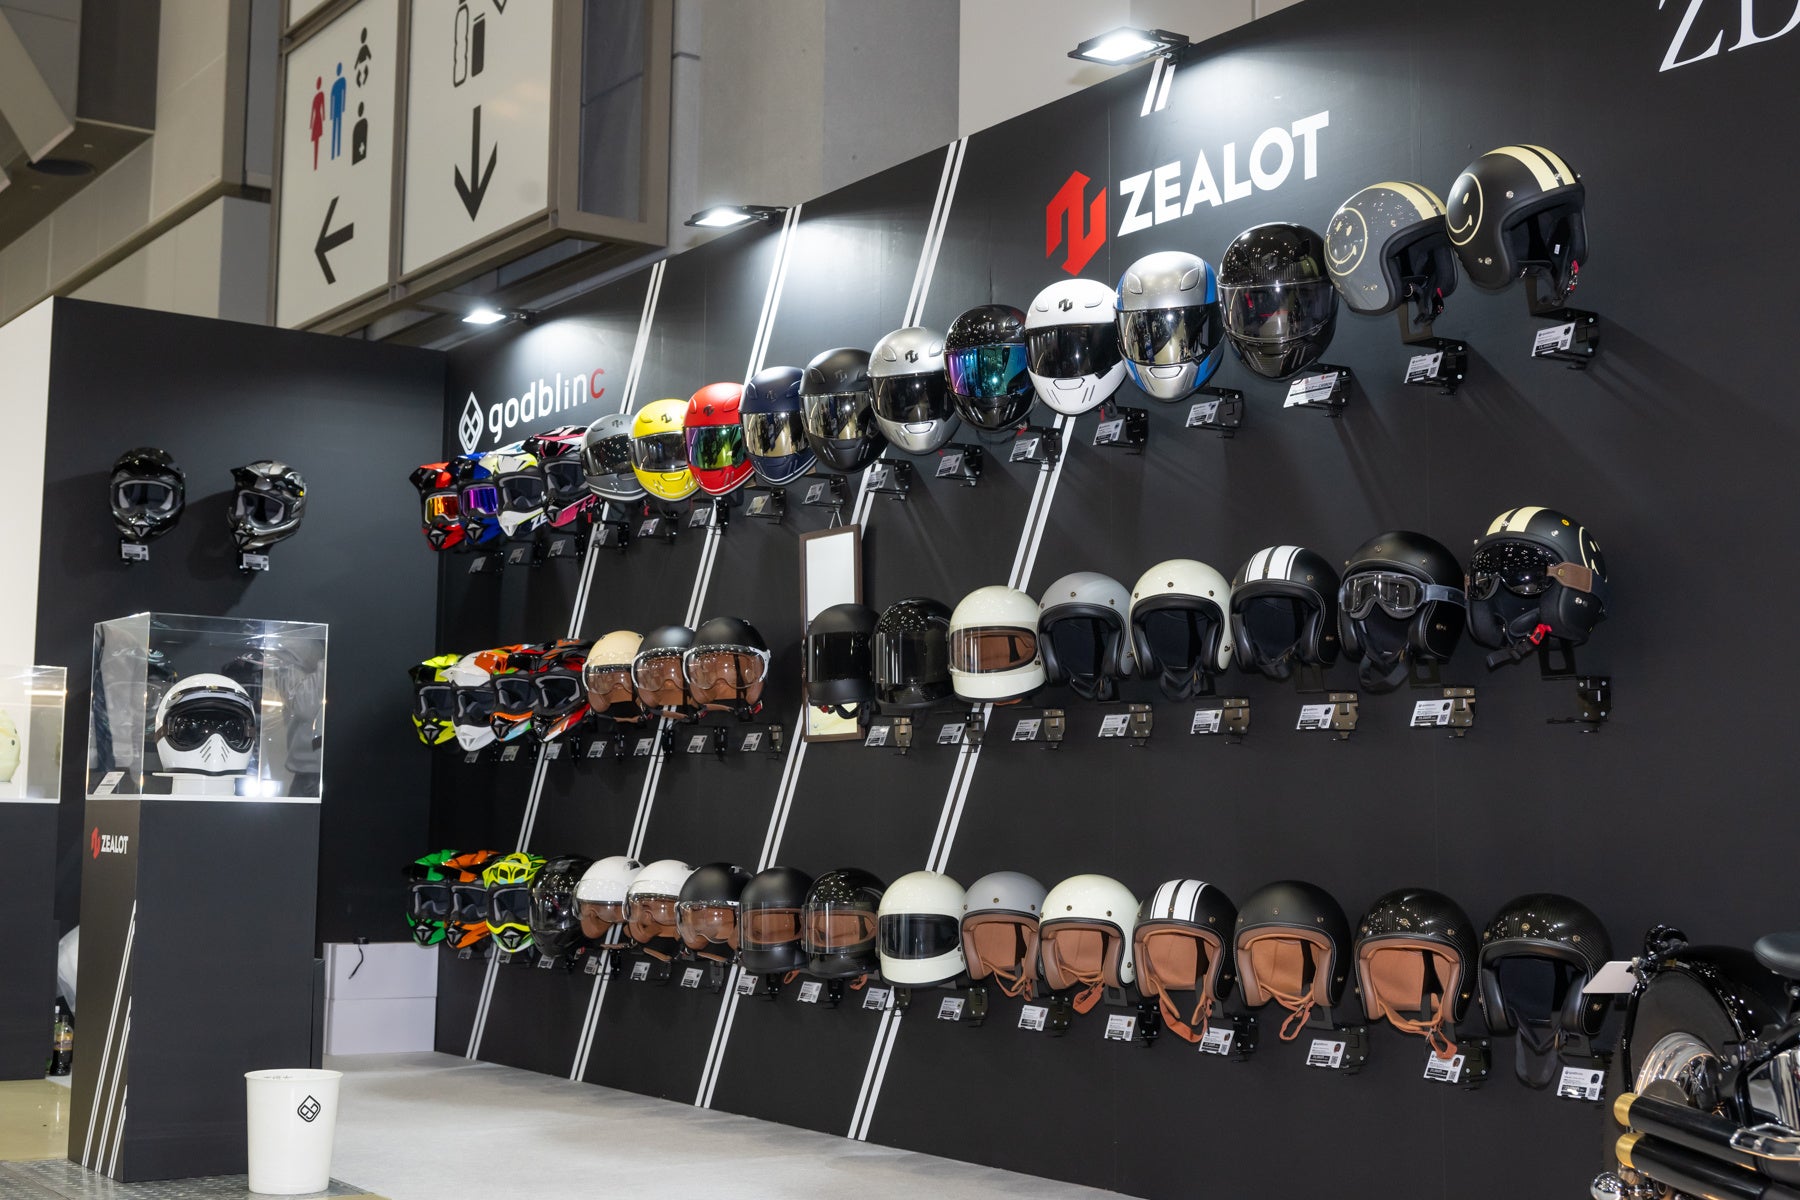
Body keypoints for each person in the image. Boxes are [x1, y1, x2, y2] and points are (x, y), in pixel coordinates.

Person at [329, 63, 347, 160]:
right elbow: (331, 99)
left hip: (339, 108)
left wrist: (343, 107)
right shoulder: (335, 84)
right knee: (335, 130)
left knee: (338, 128)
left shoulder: (342, 81)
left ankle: (338, 151)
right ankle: (333, 152)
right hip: (336, 109)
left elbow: (344, 94)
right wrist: (331, 114)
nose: (338, 71)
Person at [309, 76, 324, 169]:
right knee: (316, 140)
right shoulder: (316, 97)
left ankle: (316, 163)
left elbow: (322, 107)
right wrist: (311, 124)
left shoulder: (321, 95)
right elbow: (312, 112)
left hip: (318, 119)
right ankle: (315, 164)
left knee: (317, 140)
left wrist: (324, 117)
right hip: (316, 120)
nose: (318, 85)